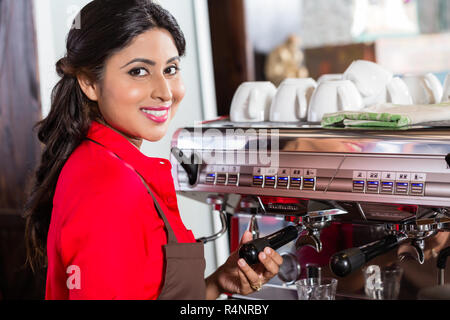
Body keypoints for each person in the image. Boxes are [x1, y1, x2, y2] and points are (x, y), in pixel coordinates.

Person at [24, 0, 282, 300]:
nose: (165, 92)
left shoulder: (111, 165)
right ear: (89, 82)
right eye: (138, 72)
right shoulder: (110, 186)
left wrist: (217, 283)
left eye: (170, 69)